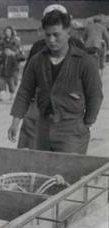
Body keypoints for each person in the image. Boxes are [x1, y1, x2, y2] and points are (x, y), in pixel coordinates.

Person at [8, 8, 103, 155]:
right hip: (43, 127)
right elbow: (25, 92)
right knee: (42, 170)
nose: (51, 40)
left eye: (56, 35)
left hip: (72, 130)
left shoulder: (85, 62)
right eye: (48, 35)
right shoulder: (37, 60)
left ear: (68, 32)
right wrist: (15, 122)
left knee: (68, 173)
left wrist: (87, 123)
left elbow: (95, 95)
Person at [0, 26, 20, 101]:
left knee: (11, 79)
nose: (7, 33)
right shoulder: (2, 41)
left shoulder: (15, 41)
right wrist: (0, 53)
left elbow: (18, 51)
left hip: (12, 61)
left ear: (11, 32)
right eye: (6, 31)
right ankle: (2, 94)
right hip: (4, 60)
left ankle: (12, 94)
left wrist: (12, 52)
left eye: (9, 31)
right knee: (2, 78)